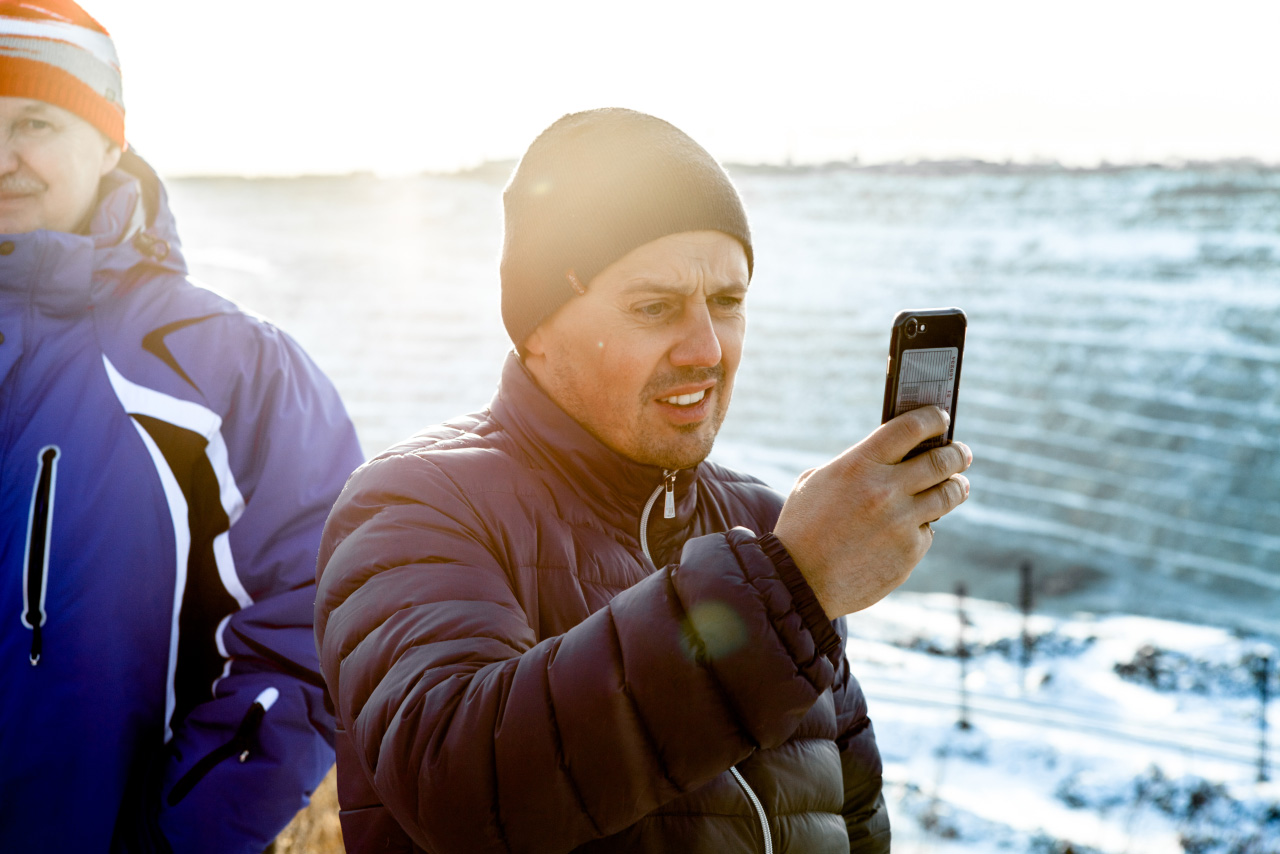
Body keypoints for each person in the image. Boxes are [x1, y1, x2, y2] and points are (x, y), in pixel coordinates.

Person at [316, 108, 972, 853]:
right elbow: (459, 787)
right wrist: (794, 585)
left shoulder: (767, 523)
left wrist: (790, 577)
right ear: (537, 326)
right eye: (655, 307)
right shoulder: (414, 503)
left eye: (727, 303)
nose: (707, 350)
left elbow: (855, 822)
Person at [0, 2, 364, 851]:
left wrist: (182, 838)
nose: (2, 156)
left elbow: (318, 624)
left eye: (35, 122)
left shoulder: (223, 365)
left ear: (110, 141)